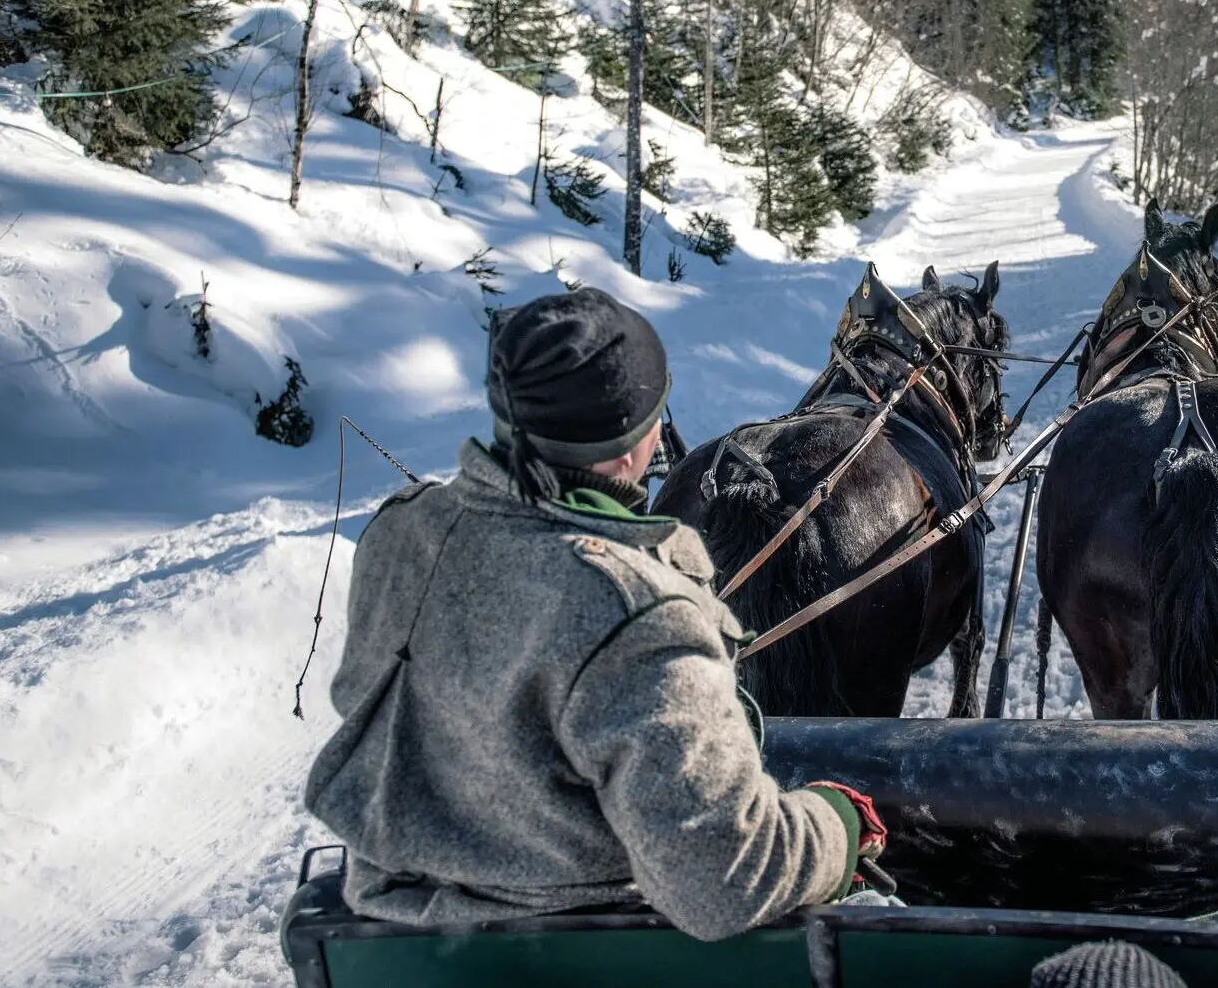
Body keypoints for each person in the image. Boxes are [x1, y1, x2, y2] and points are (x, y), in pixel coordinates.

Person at [304, 288, 883, 941]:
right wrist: (838, 822)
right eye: (653, 413)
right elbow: (729, 880)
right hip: (579, 948)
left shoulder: (397, 534)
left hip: (392, 943)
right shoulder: (639, 609)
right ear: (637, 444)